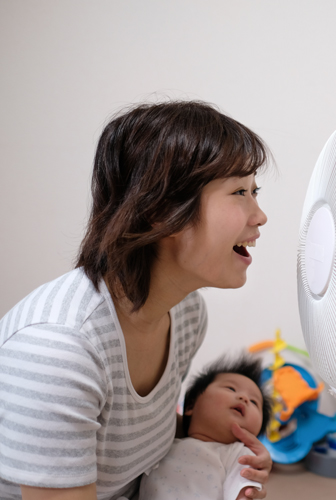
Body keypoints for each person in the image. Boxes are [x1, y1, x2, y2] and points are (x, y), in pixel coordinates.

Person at [0, 101, 272, 500]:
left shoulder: (187, 311)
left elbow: (131, 441)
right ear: (160, 213)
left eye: (254, 191)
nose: (260, 215)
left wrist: (226, 456)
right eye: (239, 192)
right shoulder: (59, 348)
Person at [140, 354, 273, 500]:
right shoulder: (166, 438)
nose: (244, 398)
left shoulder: (239, 454)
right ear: (191, 405)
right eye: (231, 388)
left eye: (254, 402)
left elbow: (243, 492)